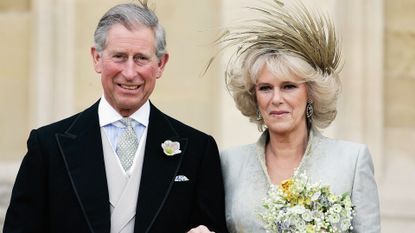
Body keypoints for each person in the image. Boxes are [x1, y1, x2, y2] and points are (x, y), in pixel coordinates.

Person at [3, 1, 228, 233]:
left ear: (160, 64)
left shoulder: (198, 151)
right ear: (97, 58)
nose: (130, 73)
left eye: (141, 58)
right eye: (119, 56)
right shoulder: (48, 147)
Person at [217, 0, 381, 232]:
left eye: (288, 86)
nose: (275, 99)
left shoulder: (352, 160)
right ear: (254, 97)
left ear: (311, 93)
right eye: (265, 88)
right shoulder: (229, 164)